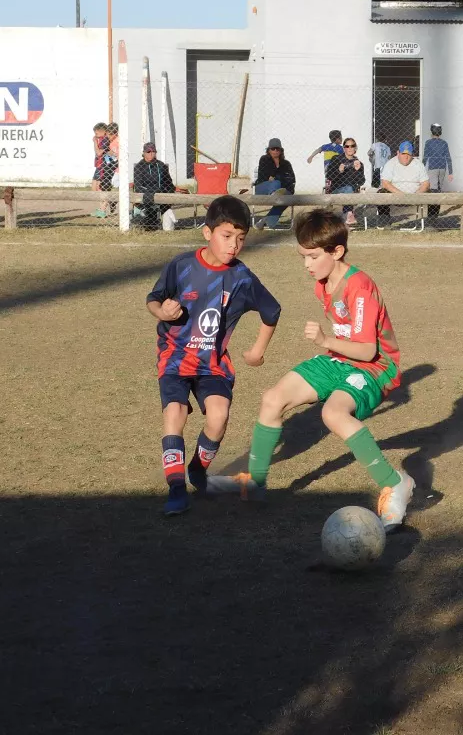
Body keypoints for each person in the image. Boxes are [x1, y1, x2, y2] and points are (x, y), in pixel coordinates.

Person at [206, 208, 414, 529]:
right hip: (340, 359)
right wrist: (330, 345)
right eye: (303, 256)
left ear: (337, 251)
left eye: (313, 257)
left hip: (374, 367)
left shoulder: (359, 287)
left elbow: (367, 349)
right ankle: (255, 482)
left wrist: (324, 339)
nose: (306, 265)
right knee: (273, 399)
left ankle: (394, 481)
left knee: (333, 414)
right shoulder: (323, 283)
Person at [145, 195, 281, 516]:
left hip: (213, 363)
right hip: (175, 358)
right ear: (207, 233)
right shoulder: (181, 266)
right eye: (226, 236)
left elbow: (272, 311)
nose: (234, 245)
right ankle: (177, 490)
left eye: (241, 238)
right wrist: (162, 311)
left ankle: (196, 470)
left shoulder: (242, 278)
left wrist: (258, 349)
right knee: (175, 413)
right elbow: (153, 299)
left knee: (218, 418)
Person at [379, 141, 428, 223]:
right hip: (395, 196)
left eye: (408, 154)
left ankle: (431, 222)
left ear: (412, 154)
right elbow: (385, 183)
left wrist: (417, 194)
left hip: (415, 196)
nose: (406, 157)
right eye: (403, 154)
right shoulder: (391, 163)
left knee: (435, 192)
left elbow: (426, 183)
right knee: (381, 193)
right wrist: (400, 194)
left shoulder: (418, 164)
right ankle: (385, 220)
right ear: (398, 153)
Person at [254, 138, 297, 230]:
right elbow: (264, 176)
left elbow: (292, 178)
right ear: (268, 150)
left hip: (280, 189)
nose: (275, 151)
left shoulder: (286, 163)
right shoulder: (264, 159)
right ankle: (275, 196)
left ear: (281, 150)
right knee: (276, 183)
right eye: (273, 149)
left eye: (278, 149)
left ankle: (267, 221)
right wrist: (278, 177)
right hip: (263, 187)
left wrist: (275, 177)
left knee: (287, 196)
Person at [133, 141, 177, 231]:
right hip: (147, 196)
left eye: (153, 151)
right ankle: (150, 219)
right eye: (148, 152)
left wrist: (167, 192)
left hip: (162, 195)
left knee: (168, 229)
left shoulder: (161, 165)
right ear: (144, 153)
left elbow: (169, 183)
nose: (151, 154)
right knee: (150, 228)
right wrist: (153, 192)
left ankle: (166, 218)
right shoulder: (139, 167)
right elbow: (138, 186)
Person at [326, 136, 366, 228]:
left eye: (352, 146)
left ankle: (347, 216)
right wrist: (339, 171)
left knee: (350, 188)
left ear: (355, 148)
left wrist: (357, 170)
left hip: (353, 191)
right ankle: (349, 215)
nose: (350, 148)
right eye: (347, 146)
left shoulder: (358, 163)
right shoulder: (336, 159)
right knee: (348, 188)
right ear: (344, 148)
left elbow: (361, 182)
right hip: (337, 190)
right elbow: (329, 176)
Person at [422, 123, 453, 220]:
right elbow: (448, 157)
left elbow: (425, 157)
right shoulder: (444, 143)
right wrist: (450, 172)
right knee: (438, 190)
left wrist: (422, 169)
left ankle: (431, 214)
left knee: (433, 190)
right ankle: (435, 213)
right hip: (442, 168)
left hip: (433, 168)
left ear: (431, 132)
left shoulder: (428, 143)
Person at [89, 122, 110, 218]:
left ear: (103, 132)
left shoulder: (105, 140)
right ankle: (101, 208)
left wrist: (94, 142)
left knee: (101, 188)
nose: (95, 136)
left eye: (96, 133)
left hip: (103, 166)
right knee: (94, 188)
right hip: (99, 166)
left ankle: (103, 209)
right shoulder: (101, 139)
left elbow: (98, 153)